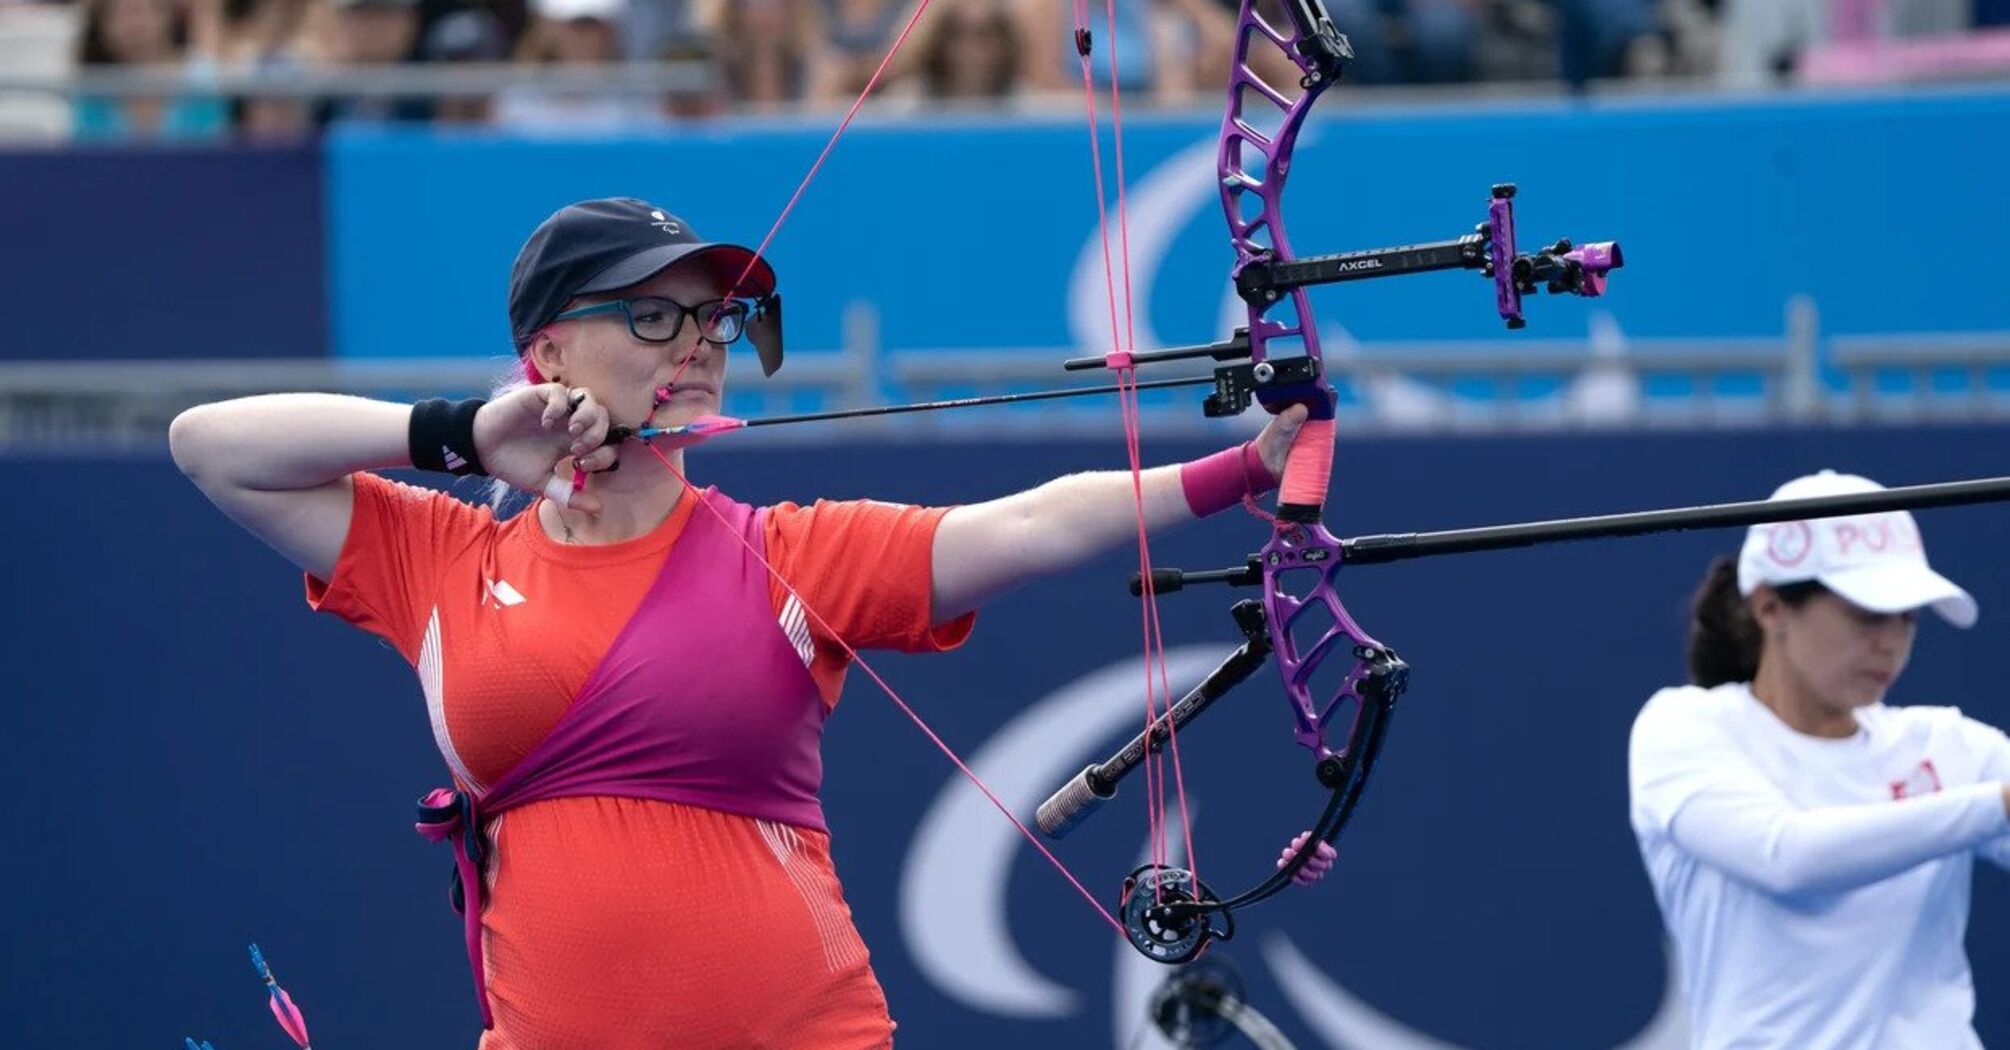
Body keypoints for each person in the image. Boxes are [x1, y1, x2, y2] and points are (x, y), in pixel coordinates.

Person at [168, 196, 1332, 1047]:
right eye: (654, 318)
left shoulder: (786, 551)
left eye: (715, 322)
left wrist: (1241, 465)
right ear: (549, 351)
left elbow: (1021, 527)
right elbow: (211, 447)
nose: (701, 345)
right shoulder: (445, 556)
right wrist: (461, 433)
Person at [1628, 469, 2010, 1050]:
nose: (1892, 641)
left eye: (1908, 617)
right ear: (1771, 607)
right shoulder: (1684, 727)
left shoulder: (1947, 744)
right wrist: (1996, 804)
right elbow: (1788, 857)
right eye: (1868, 613)